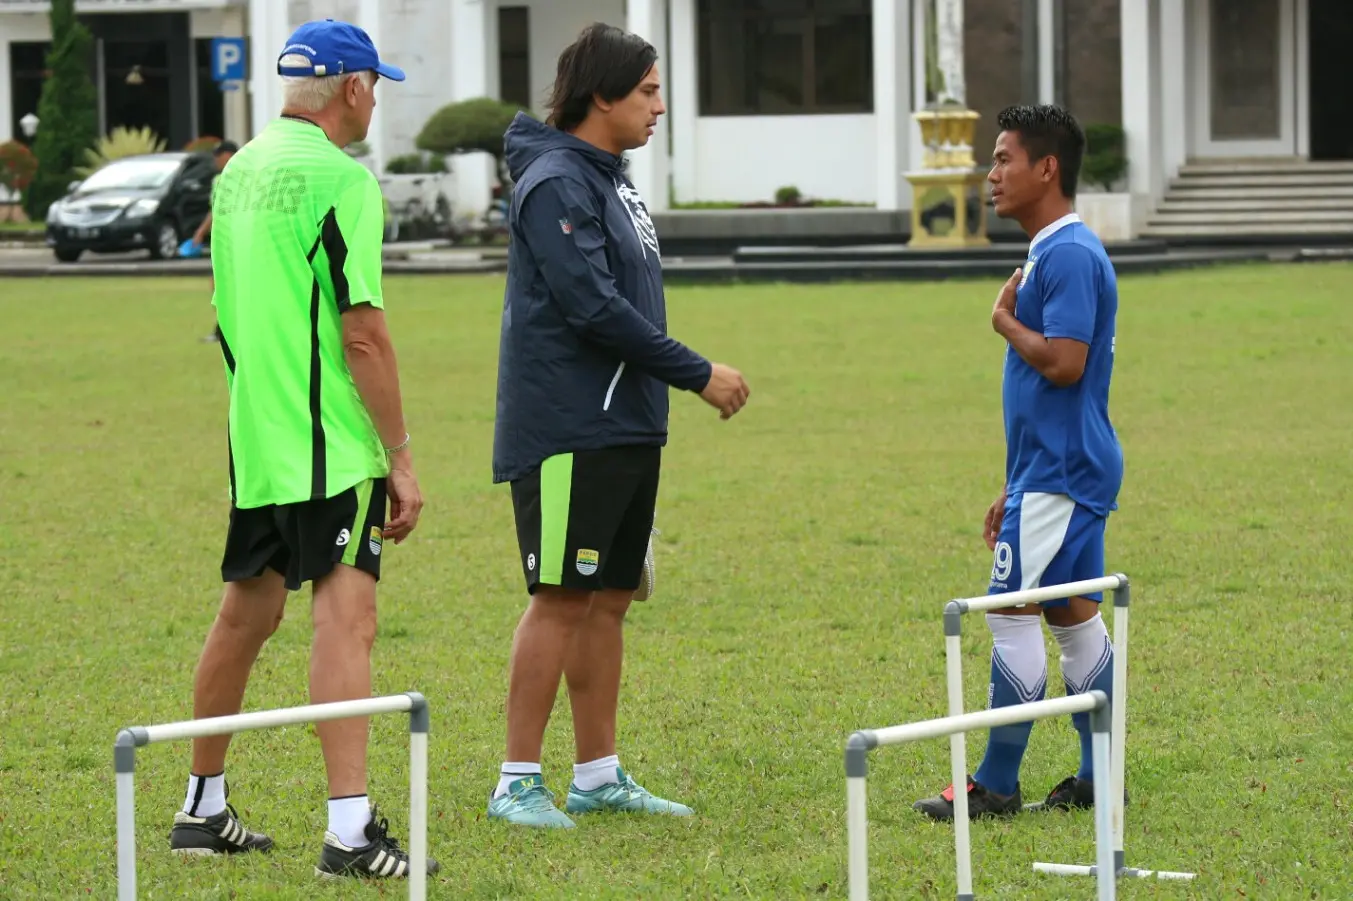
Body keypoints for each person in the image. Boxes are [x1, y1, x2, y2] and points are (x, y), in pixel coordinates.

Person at [168, 18, 438, 880]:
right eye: (376, 86)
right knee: (345, 613)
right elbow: (363, 334)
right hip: (329, 440)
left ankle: (202, 805)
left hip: (258, 434)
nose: (375, 101)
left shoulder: (237, 173)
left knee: (246, 611)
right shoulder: (341, 180)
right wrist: (398, 453)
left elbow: (223, 316)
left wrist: (262, 408)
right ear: (354, 88)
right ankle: (351, 831)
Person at [488, 21, 751, 829]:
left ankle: (597, 775)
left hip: (625, 422)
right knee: (560, 596)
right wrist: (697, 372)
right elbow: (591, 307)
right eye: (646, 91)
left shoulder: (609, 177)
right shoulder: (557, 181)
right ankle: (515, 782)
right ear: (599, 95)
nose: (659, 106)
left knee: (606, 601)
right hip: (571, 426)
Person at [913, 104, 1124, 821]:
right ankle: (1099, 775)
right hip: (1062, 469)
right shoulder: (1055, 251)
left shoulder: (1065, 252)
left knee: (1009, 614)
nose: (990, 174)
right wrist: (1015, 482)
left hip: (1062, 472)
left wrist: (1002, 322)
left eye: (1003, 159)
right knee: (1070, 614)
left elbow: (1064, 365)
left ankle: (995, 782)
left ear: (1046, 168)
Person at [182, 140, 238, 343]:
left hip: (238, 238)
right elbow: (215, 210)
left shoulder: (243, 176)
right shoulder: (217, 180)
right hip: (223, 240)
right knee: (217, 284)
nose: (216, 160)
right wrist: (200, 232)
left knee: (227, 284)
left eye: (219, 155)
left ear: (229, 155)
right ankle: (222, 329)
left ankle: (226, 330)